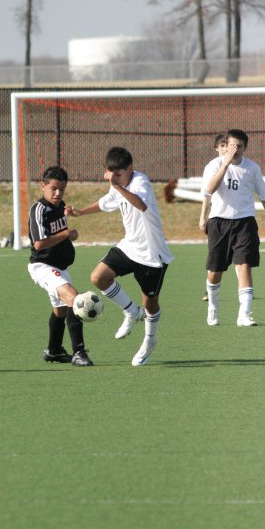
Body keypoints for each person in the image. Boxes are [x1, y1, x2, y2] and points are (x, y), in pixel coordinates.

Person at [66, 147, 173, 367]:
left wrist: (115, 185)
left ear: (130, 169)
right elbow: (106, 202)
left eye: (120, 174)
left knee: (151, 303)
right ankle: (132, 312)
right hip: (129, 247)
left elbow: (140, 204)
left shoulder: (140, 182)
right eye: (111, 174)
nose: (116, 179)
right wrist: (80, 212)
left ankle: (149, 341)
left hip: (152, 255)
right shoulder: (118, 186)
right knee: (99, 277)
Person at [202, 128, 265, 327]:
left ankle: (245, 314)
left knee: (244, 266)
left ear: (245, 148)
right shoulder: (214, 165)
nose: (235, 149)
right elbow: (209, 189)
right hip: (219, 223)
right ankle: (213, 307)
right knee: (215, 271)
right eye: (232, 145)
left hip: (245, 222)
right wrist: (224, 164)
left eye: (240, 146)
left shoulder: (252, 168)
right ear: (226, 145)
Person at [28, 166, 93, 367]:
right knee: (75, 299)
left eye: (62, 189)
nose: (57, 193)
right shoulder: (38, 209)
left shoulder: (60, 206)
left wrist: (68, 215)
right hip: (43, 266)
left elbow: (59, 230)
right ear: (43, 186)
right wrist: (67, 234)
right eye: (53, 188)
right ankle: (79, 352)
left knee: (61, 310)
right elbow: (39, 243)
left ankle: (54, 350)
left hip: (60, 267)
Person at [199, 133, 228, 301]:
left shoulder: (240, 165)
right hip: (218, 220)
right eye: (222, 145)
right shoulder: (212, 166)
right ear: (216, 148)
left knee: (241, 258)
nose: (225, 148)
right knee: (215, 256)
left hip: (238, 219)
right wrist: (203, 216)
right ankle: (208, 291)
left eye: (227, 145)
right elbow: (207, 194)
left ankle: (246, 290)